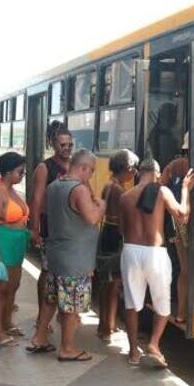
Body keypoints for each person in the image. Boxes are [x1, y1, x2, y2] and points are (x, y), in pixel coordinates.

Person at [119, 158, 194, 368]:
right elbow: (182, 216)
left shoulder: (125, 196)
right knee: (162, 302)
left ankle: (133, 351)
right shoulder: (162, 192)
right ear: (157, 172)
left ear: (139, 173)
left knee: (132, 304)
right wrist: (185, 189)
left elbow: (122, 229)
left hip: (130, 251)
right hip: (155, 253)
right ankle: (154, 344)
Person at [28, 149, 105, 361]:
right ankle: (67, 348)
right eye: (91, 171)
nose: (91, 175)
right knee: (72, 305)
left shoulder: (54, 186)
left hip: (56, 256)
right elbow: (91, 218)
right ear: (83, 168)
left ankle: (39, 337)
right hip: (75, 259)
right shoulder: (78, 189)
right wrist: (102, 206)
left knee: (50, 299)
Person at [0, 152, 30, 346]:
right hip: (1, 245)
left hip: (15, 246)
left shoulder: (12, 190)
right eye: (20, 171)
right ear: (9, 172)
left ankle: (7, 323)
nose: (23, 174)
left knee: (13, 286)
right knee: (0, 289)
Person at [30, 121, 72, 331]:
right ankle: (42, 316)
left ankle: (63, 314)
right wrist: (34, 228)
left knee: (67, 272)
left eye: (69, 145)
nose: (66, 149)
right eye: (62, 145)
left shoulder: (74, 166)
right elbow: (37, 200)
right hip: (50, 226)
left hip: (70, 228)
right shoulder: (44, 168)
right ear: (53, 144)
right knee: (47, 272)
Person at [96, 148, 139, 340]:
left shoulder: (108, 185)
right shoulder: (120, 191)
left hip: (106, 232)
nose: (135, 173)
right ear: (128, 168)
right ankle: (109, 327)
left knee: (106, 282)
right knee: (115, 284)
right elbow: (122, 222)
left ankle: (103, 324)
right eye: (134, 169)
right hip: (116, 236)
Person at [160, 133, 190, 324]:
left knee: (184, 269)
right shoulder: (192, 166)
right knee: (187, 269)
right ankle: (181, 312)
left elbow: (159, 189)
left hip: (175, 224)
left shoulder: (173, 166)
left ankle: (181, 312)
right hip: (185, 223)